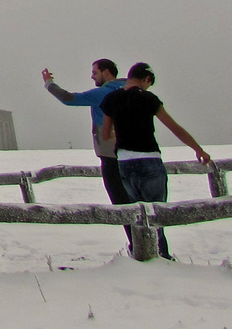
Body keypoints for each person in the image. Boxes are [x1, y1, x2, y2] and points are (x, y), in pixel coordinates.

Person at [100, 62, 210, 262]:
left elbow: (106, 135)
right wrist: (198, 149)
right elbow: (174, 127)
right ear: (146, 80)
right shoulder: (148, 99)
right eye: (149, 84)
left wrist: (124, 131)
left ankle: (143, 257)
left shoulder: (111, 99)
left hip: (124, 161)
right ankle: (162, 257)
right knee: (156, 213)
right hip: (149, 159)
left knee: (137, 213)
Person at [42, 59, 133, 247]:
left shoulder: (103, 93)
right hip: (136, 154)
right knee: (145, 205)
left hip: (111, 155)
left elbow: (68, 98)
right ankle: (157, 249)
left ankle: (138, 247)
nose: (92, 76)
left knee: (123, 204)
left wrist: (49, 83)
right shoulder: (131, 90)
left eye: (95, 72)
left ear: (106, 72)